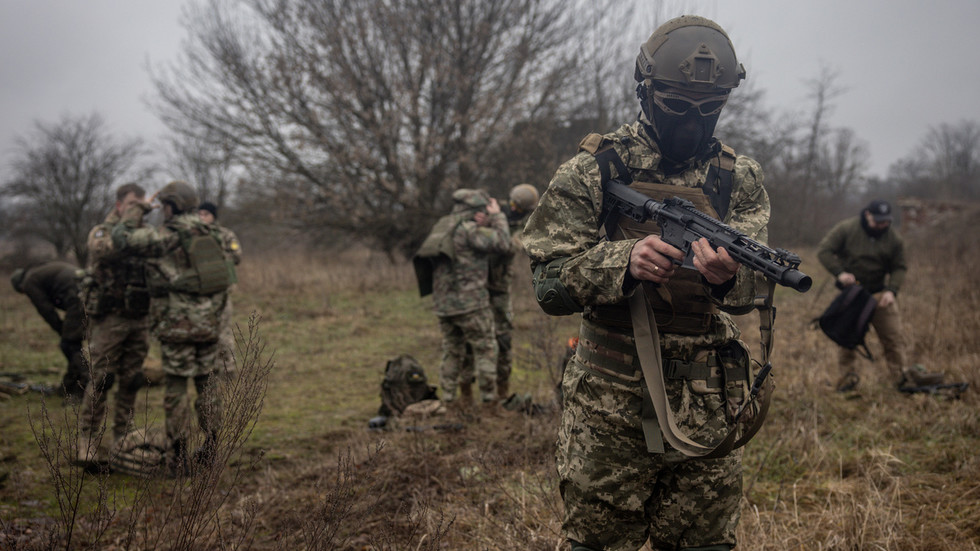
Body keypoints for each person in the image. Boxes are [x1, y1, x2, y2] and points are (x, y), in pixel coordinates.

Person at [521, 16, 768, 550]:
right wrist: (622, 260)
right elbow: (547, 285)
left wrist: (729, 280)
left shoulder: (735, 178)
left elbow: (757, 291)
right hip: (610, 403)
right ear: (646, 91)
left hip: (707, 399)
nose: (691, 122)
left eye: (709, 108)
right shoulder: (594, 170)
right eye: (678, 105)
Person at [112, 181, 234, 473]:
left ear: (172, 205)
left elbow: (122, 238)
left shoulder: (167, 235)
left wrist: (136, 209)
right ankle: (211, 447)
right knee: (207, 383)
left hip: (178, 326)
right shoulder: (213, 232)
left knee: (177, 387)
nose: (163, 210)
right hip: (210, 323)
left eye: (165, 205)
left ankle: (177, 455)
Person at [816, 199, 939, 391]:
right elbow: (824, 250)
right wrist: (839, 273)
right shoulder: (847, 229)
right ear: (867, 215)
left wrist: (892, 291)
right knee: (846, 338)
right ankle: (847, 380)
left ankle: (901, 379)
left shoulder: (894, 239)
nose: (883, 225)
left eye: (886, 221)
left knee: (893, 338)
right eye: (878, 221)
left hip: (880, 294)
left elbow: (899, 267)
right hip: (853, 294)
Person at [76, 183, 153, 467]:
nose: (139, 209)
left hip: (139, 317)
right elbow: (110, 249)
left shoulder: (143, 233)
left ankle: (124, 436)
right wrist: (133, 221)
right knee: (102, 379)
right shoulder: (102, 231)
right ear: (119, 205)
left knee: (132, 379)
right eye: (133, 204)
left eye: (141, 204)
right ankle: (87, 440)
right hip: (110, 319)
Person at [423, 189, 510, 408]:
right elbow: (502, 243)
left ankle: (450, 400)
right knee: (486, 349)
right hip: (471, 303)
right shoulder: (470, 230)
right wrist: (497, 217)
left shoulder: (443, 226)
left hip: (443, 304)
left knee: (451, 351)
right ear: (477, 210)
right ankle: (489, 401)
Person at [461, 184, 540, 400]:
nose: (513, 209)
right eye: (512, 204)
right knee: (469, 338)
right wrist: (491, 223)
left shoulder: (527, 225)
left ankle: (502, 392)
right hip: (475, 286)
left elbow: (509, 246)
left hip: (499, 290)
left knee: (503, 339)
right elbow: (470, 232)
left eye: (519, 208)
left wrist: (495, 224)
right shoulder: (495, 210)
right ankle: (465, 392)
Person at [10, 260, 89, 400]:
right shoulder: (39, 271)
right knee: (71, 344)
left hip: (77, 296)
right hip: (89, 291)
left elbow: (46, 310)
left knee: (69, 345)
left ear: (20, 286)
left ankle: (86, 382)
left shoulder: (29, 282)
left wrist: (60, 329)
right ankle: (69, 386)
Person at [198, 201, 242, 370]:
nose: (202, 217)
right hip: (200, 291)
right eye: (200, 214)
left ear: (213, 216)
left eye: (206, 214)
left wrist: (218, 259)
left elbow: (237, 255)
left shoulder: (225, 235)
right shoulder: (194, 235)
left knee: (223, 330)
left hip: (221, 289)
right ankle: (208, 368)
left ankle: (227, 367)